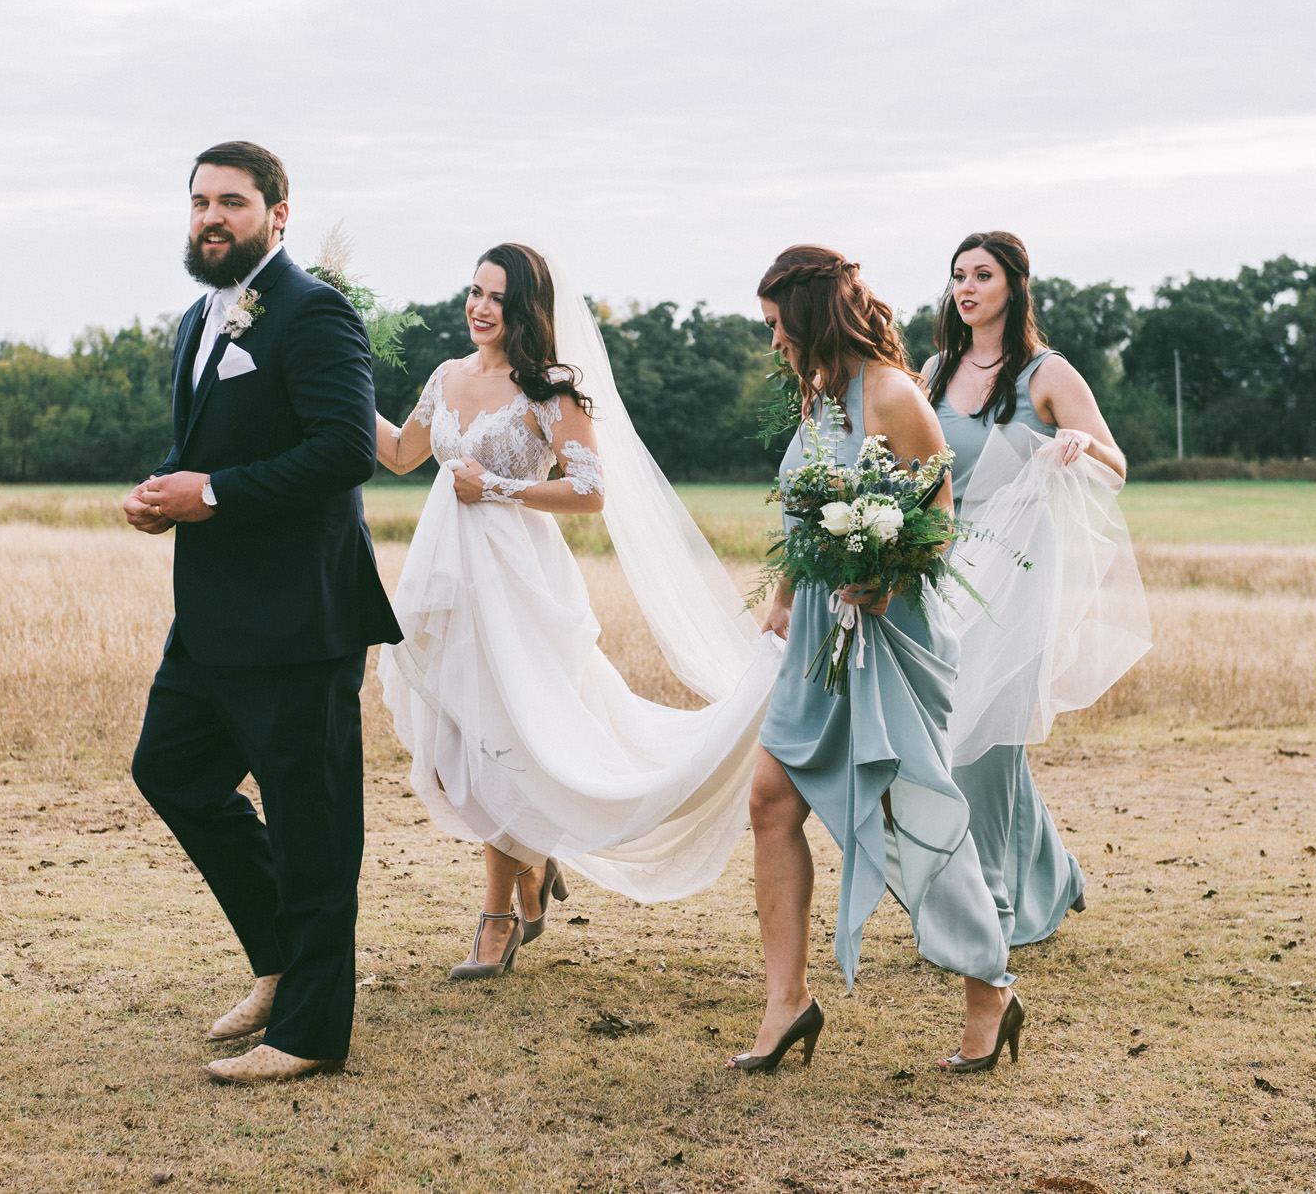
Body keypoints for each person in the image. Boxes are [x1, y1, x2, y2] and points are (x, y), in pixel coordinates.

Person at [375, 243, 783, 978]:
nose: (479, 306)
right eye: (473, 291)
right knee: (450, 746)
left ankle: (499, 913)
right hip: (444, 577)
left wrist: (498, 488)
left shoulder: (549, 387)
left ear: (527, 308)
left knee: (501, 738)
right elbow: (403, 454)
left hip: (517, 583)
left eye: (496, 296)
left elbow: (591, 492)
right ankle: (532, 861)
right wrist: (338, 384)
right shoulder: (446, 376)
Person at [124, 141, 402, 1085]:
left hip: (299, 616)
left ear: (278, 215)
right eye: (200, 201)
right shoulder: (200, 319)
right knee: (170, 771)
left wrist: (214, 496)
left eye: (232, 203)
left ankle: (312, 1032)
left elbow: (341, 454)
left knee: (312, 821)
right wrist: (166, 489)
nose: (211, 217)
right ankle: (283, 962)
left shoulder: (315, 315)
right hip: (210, 616)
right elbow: (215, 444)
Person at [736, 245, 1021, 1078]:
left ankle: (988, 989)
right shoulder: (819, 397)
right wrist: (788, 593)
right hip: (820, 636)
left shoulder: (894, 395)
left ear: (810, 313)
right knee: (768, 803)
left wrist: (889, 576)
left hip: (885, 637)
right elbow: (809, 507)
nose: (773, 343)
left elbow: (938, 515)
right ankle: (786, 1002)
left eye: (776, 325)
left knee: (908, 812)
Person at [918, 231, 1147, 949]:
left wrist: (1079, 449)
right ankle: (1053, 873)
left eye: (982, 275)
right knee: (957, 732)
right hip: (947, 566)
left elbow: (1116, 465)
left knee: (987, 735)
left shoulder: (1047, 373)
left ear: (1014, 286)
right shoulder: (933, 370)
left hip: (1019, 569)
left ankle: (991, 911)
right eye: (958, 275)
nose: (966, 288)